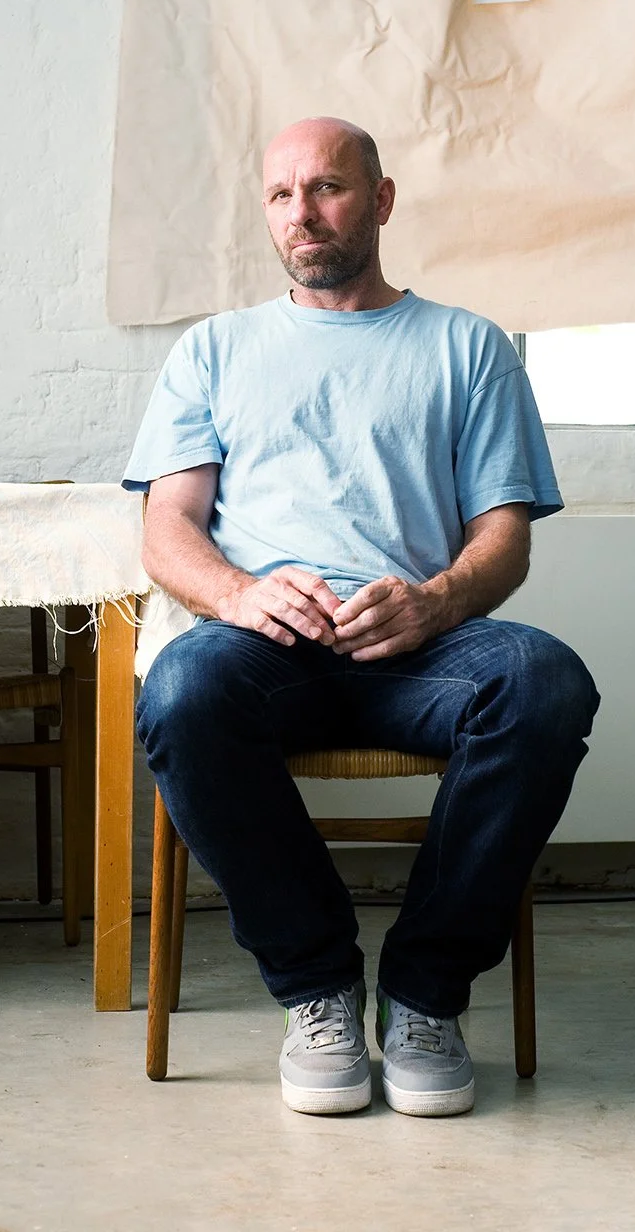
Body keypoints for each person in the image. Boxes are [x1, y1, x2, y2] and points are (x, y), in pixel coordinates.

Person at [124, 117, 600, 1118]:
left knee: (545, 683)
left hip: (423, 649)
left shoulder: (468, 347)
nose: (304, 212)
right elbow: (167, 528)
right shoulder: (214, 349)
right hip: (267, 649)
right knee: (181, 690)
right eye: (282, 194)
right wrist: (236, 596)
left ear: (379, 201)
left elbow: (503, 540)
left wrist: (438, 601)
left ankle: (426, 997)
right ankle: (319, 988)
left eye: (329, 188)